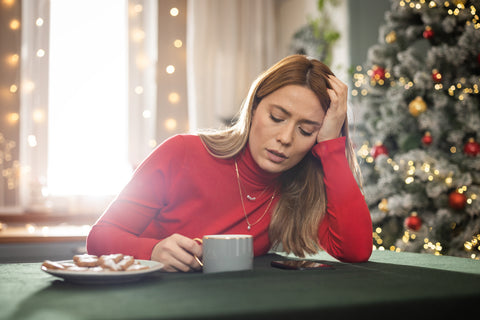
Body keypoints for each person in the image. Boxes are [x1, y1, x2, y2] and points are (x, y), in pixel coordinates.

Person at [87, 54, 373, 272]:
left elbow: (356, 250)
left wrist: (332, 147)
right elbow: (100, 238)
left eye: (306, 130)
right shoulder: (182, 153)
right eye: (277, 117)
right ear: (254, 107)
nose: (285, 138)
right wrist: (152, 250)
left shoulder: (299, 186)